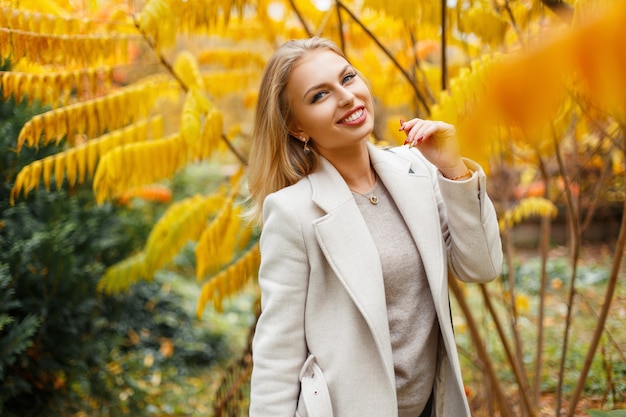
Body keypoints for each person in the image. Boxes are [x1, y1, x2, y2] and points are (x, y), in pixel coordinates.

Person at [246, 37, 503, 417]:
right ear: (296, 126)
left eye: (347, 78)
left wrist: (453, 169)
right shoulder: (292, 212)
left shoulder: (417, 171)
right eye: (320, 96)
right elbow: (277, 354)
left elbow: (481, 266)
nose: (346, 97)